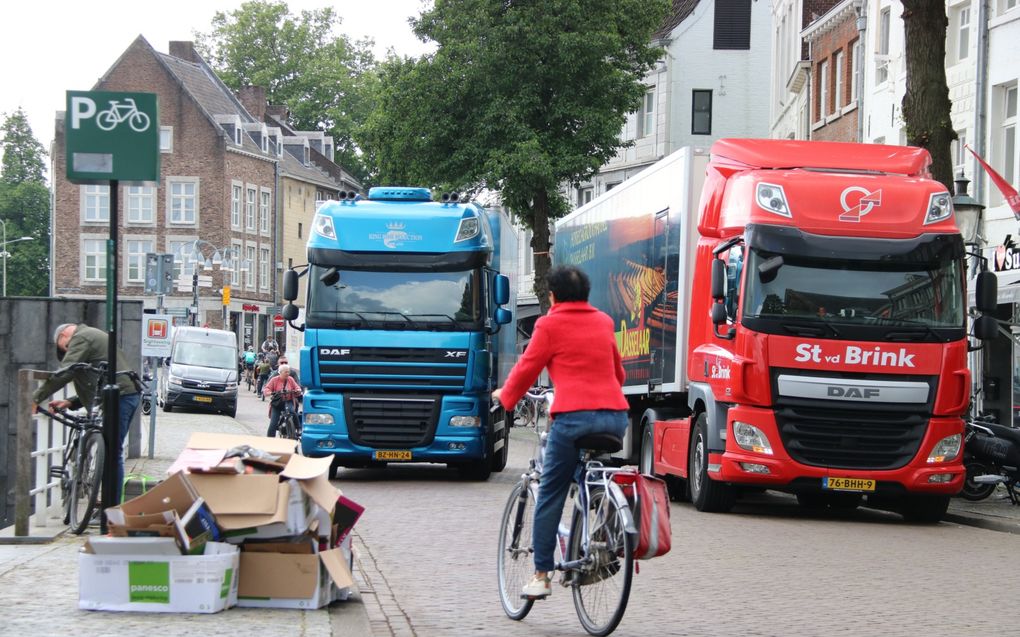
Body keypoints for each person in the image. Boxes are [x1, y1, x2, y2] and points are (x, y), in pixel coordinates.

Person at [492, 265, 628, 600]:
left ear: (552, 296)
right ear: (586, 294)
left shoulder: (549, 324)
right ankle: (599, 527)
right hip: (614, 417)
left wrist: (505, 397)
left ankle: (542, 574)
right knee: (586, 474)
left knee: (550, 491)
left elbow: (527, 368)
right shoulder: (603, 322)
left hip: (573, 419)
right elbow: (618, 374)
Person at [32, 323, 141, 505]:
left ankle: (110, 508)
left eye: (65, 347)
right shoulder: (94, 335)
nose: (68, 350)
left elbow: (67, 370)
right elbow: (98, 378)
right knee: (111, 450)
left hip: (120, 396)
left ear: (64, 335)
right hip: (123, 394)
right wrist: (71, 402)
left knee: (112, 452)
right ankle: (108, 503)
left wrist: (36, 398)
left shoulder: (81, 337)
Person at [262, 364, 302, 437]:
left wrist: (298, 390)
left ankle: (298, 428)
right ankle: (269, 440)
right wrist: (270, 392)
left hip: (288, 401)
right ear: (280, 372)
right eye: (286, 372)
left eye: (288, 372)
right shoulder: (274, 380)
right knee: (273, 423)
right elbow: (266, 389)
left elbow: (296, 387)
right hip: (278, 403)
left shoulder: (290, 379)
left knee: (293, 412)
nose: (288, 373)